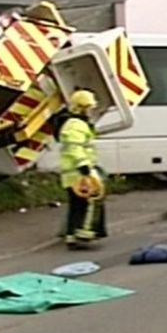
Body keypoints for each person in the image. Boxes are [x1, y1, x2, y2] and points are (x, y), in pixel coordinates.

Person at [59, 89, 108, 249]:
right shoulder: (77, 125)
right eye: (89, 107)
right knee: (90, 202)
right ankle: (83, 234)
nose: (91, 110)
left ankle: (71, 236)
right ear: (83, 108)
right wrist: (84, 167)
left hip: (73, 174)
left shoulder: (74, 124)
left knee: (77, 206)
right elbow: (74, 148)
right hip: (78, 173)